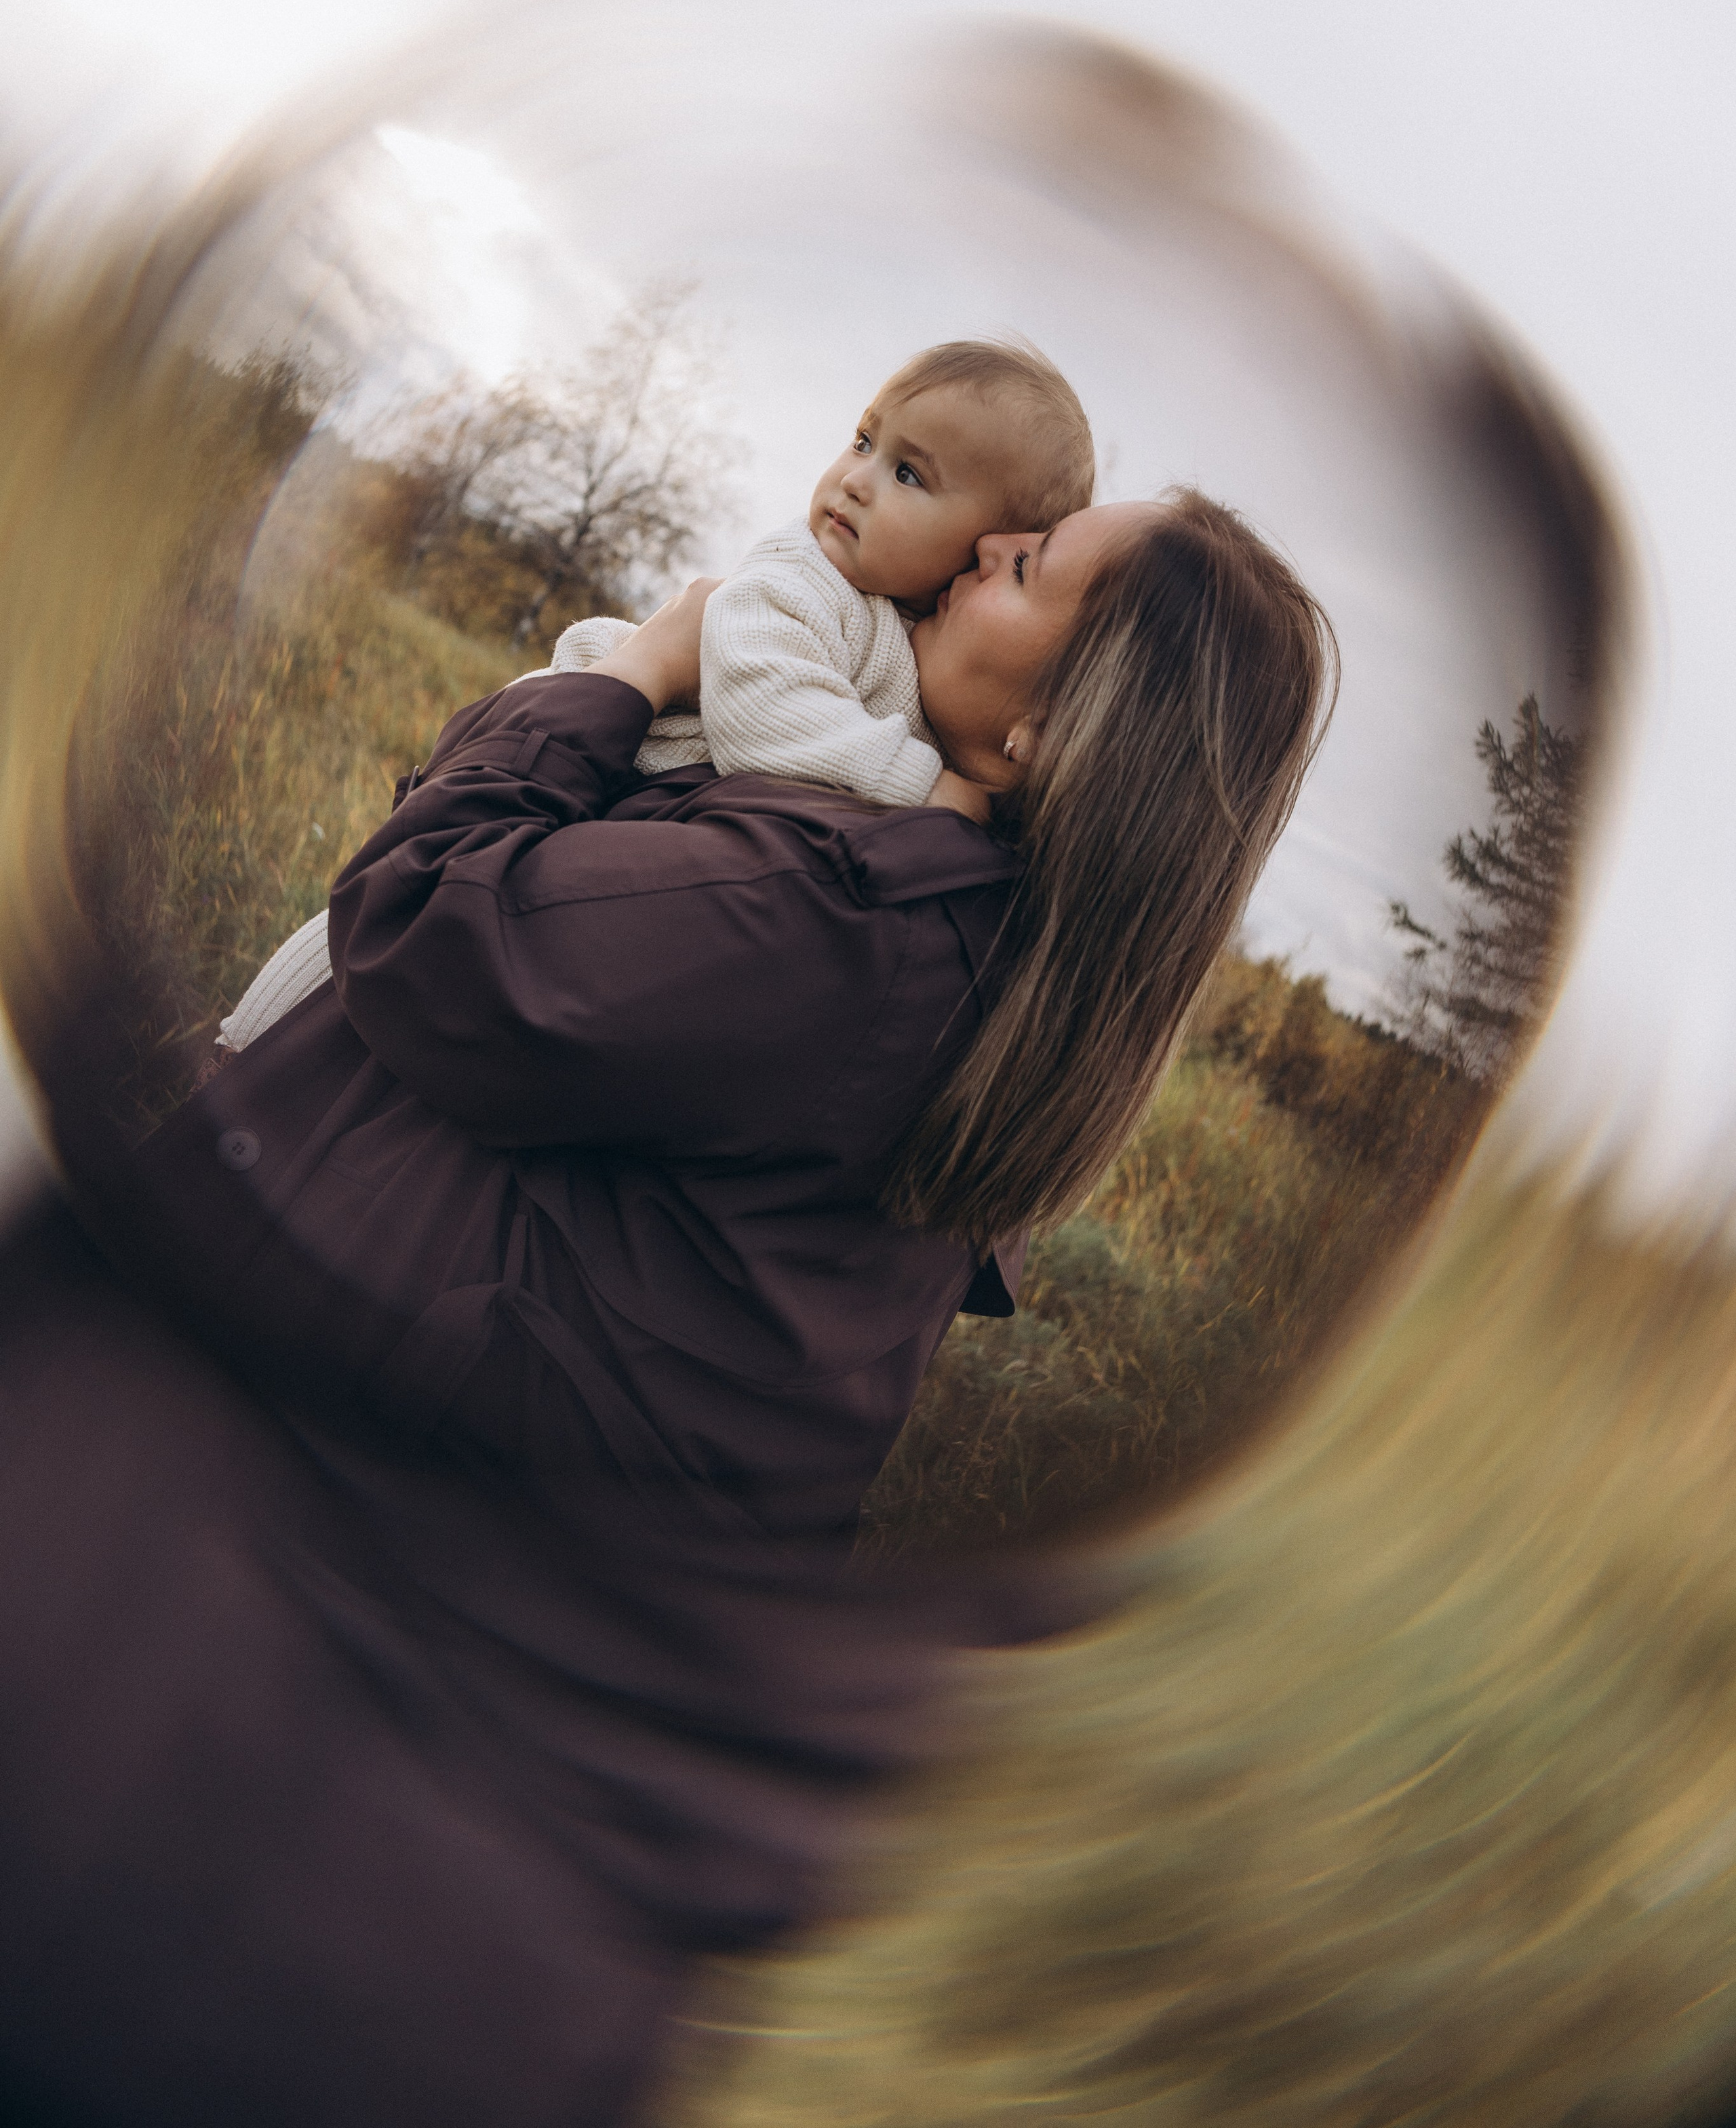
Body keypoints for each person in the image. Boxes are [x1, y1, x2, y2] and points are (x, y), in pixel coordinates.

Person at [6, 489, 1335, 2127]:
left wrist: (628, 671)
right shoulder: (967, 948)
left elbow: (421, 921)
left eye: (1030, 565)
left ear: (1060, 733)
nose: (987, 541)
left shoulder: (840, 917)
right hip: (453, 1806)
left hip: (246, 1754)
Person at [214, 336, 1095, 1056]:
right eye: (865, 441)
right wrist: (927, 788)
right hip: (605, 741)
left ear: (985, 543)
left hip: (634, 804)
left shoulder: (903, 642)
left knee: (432, 943)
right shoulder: (801, 578)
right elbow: (763, 715)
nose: (857, 477)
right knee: (354, 942)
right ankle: (239, 1046)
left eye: (911, 475)